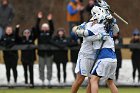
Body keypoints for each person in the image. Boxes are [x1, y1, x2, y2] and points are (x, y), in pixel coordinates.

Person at [33, 12, 54, 85]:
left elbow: (52, 28)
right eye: (43, 27)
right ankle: (42, 80)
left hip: (49, 53)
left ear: (48, 28)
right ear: (41, 28)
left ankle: (49, 80)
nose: (45, 28)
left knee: (49, 67)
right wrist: (39, 19)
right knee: (41, 67)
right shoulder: (39, 33)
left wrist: (50, 20)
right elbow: (36, 27)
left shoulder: (50, 33)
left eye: (46, 27)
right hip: (41, 53)